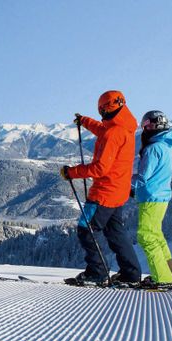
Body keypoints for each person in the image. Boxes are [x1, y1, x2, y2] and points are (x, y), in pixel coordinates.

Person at [60, 90, 142, 286]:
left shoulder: (113, 133)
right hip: (118, 191)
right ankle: (131, 274)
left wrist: (72, 172)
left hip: (104, 192)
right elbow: (103, 130)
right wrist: (85, 121)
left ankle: (97, 272)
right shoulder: (124, 127)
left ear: (105, 108)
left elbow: (100, 168)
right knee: (115, 233)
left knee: (86, 229)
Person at [131, 110, 172, 288]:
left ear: (154, 126)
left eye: (146, 126)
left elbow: (143, 177)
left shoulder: (152, 148)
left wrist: (122, 182)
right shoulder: (167, 146)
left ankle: (162, 278)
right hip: (161, 196)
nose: (144, 130)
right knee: (156, 235)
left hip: (150, 197)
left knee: (146, 236)